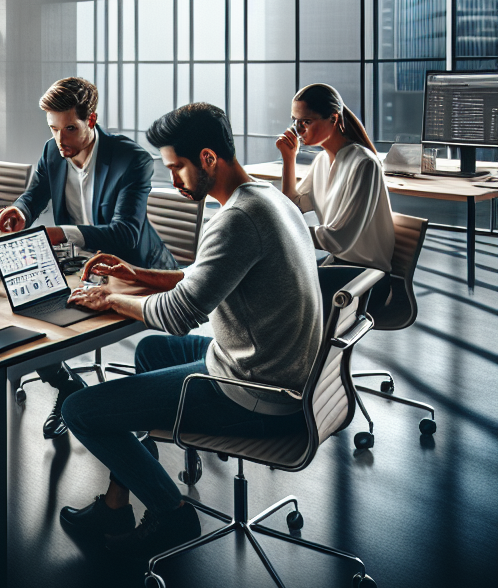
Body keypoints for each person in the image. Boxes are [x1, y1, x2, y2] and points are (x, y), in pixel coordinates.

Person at [57, 103, 322, 557]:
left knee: (80, 410)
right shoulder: (268, 198)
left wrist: (110, 297)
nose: (173, 179)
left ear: (207, 158)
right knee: (153, 353)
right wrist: (137, 273)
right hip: (282, 369)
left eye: (176, 167)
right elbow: (203, 277)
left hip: (256, 390)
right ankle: (118, 501)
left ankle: (171, 512)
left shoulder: (236, 220)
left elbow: (181, 312)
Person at [0, 77, 176, 440]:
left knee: (44, 313)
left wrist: (61, 233)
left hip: (136, 271)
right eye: (54, 129)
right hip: (79, 265)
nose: (61, 140)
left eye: (70, 128)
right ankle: (67, 384)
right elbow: (34, 195)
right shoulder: (52, 151)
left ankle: (117, 413)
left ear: (91, 120)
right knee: (26, 305)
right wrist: (20, 212)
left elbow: (125, 234)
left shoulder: (131, 160)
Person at [276, 83, 394, 276]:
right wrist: (289, 159)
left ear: (334, 118)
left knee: (285, 290)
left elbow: (338, 240)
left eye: (305, 121)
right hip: (337, 263)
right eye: (294, 121)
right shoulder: (321, 160)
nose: (297, 130)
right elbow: (294, 206)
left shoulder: (364, 164)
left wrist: (288, 232)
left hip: (367, 275)